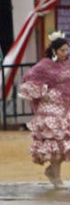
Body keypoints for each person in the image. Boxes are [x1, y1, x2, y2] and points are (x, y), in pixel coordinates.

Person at [18, 33, 70, 188]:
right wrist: (43, 90)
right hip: (49, 110)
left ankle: (52, 172)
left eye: (67, 50)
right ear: (54, 51)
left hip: (64, 108)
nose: (65, 53)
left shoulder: (68, 64)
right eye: (62, 50)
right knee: (54, 142)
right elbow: (30, 76)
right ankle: (56, 177)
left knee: (65, 143)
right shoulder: (45, 65)